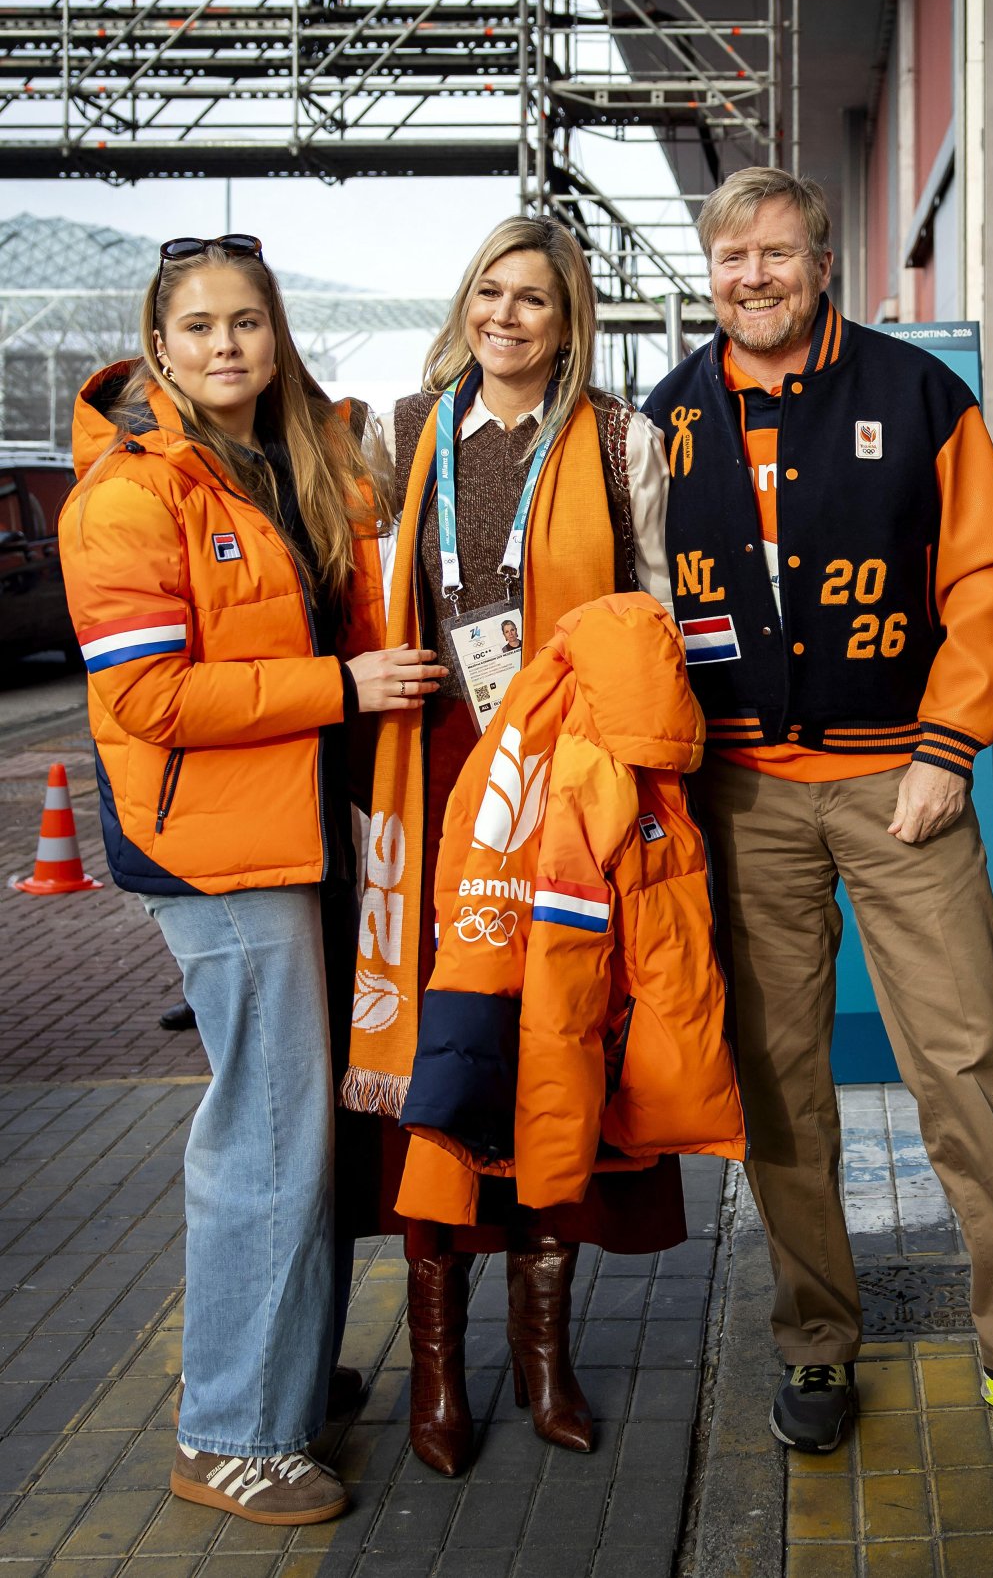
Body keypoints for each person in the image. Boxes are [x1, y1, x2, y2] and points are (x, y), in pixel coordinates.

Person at [640, 168, 993, 1457]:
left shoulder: (918, 396)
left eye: (773, 253)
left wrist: (944, 750)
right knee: (780, 1085)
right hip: (743, 795)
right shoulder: (665, 421)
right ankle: (815, 1342)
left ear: (820, 261)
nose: (749, 277)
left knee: (969, 1066)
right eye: (728, 259)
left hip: (898, 789)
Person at [59, 233, 443, 1525]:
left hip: (313, 833)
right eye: (201, 325)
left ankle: (280, 1378)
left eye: (248, 321)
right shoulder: (127, 493)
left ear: (276, 334)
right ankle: (228, 1427)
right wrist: (343, 687)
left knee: (319, 1128)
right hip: (221, 853)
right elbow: (151, 693)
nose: (227, 343)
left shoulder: (298, 462)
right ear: (159, 344)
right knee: (269, 1138)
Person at [339, 214, 677, 1478]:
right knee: (444, 1064)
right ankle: (436, 1368)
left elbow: (654, 617)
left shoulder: (620, 439)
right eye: (491, 290)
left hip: (564, 794)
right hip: (433, 794)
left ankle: (545, 1360)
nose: (508, 316)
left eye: (534, 297)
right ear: (465, 302)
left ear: (567, 315)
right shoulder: (404, 435)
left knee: (558, 1051)